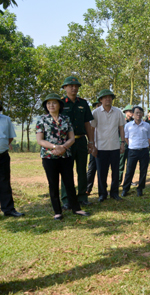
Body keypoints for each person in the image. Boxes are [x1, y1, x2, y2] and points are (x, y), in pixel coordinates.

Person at [36, 93, 90, 220]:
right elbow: (40, 140)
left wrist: (63, 147)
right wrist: (55, 147)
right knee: (53, 184)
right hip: (49, 157)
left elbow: (71, 138)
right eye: (48, 103)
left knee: (69, 183)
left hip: (66, 155)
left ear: (60, 105)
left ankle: (76, 209)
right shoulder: (41, 119)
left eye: (54, 103)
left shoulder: (65, 119)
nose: (51, 105)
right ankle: (57, 211)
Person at [59, 76, 94, 209]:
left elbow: (87, 124)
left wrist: (91, 142)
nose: (74, 88)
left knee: (82, 170)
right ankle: (66, 199)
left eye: (76, 86)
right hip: (66, 143)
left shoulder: (83, 103)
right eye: (70, 86)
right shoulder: (60, 103)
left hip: (81, 141)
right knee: (66, 171)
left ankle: (82, 197)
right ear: (65, 88)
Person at [91, 89, 125, 202]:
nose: (107, 99)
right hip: (100, 147)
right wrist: (92, 145)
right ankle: (102, 194)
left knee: (115, 172)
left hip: (115, 146)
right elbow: (92, 129)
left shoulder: (118, 112)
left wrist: (122, 143)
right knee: (101, 173)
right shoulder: (95, 113)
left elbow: (121, 128)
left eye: (110, 97)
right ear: (100, 100)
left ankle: (114, 193)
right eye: (105, 97)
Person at [121, 106, 150, 197]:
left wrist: (149, 147)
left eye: (140, 113)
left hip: (144, 151)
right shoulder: (128, 125)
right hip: (132, 151)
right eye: (136, 113)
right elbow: (126, 138)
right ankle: (125, 189)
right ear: (133, 114)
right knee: (129, 171)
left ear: (142, 114)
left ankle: (140, 189)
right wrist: (131, 145)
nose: (138, 114)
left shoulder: (146, 125)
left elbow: (149, 137)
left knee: (143, 171)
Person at [0, 102, 24, 217]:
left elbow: (10, 137)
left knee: (4, 182)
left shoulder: (6, 119)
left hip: (2, 156)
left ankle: (8, 210)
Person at [86, 101, 102, 195]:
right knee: (92, 168)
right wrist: (91, 144)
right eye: (97, 106)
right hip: (94, 145)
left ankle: (102, 190)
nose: (99, 107)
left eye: (100, 105)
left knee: (102, 169)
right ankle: (88, 188)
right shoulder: (92, 116)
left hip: (105, 146)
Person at [119, 104, 134, 186]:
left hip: (131, 145)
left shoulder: (133, 121)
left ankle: (128, 180)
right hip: (123, 144)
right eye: (130, 111)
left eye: (132, 111)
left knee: (130, 164)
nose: (131, 113)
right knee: (121, 164)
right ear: (126, 112)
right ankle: (118, 181)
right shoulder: (122, 120)